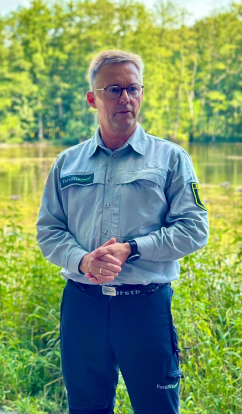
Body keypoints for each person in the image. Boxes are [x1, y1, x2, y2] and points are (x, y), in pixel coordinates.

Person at [36, 50, 209, 414]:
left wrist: (131, 249)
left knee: (157, 407)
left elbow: (194, 229)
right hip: (84, 306)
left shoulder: (171, 159)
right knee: (86, 408)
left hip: (145, 307)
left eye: (133, 89)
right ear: (92, 98)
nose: (125, 98)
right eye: (113, 89)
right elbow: (49, 231)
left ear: (142, 93)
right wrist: (82, 260)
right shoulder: (67, 163)